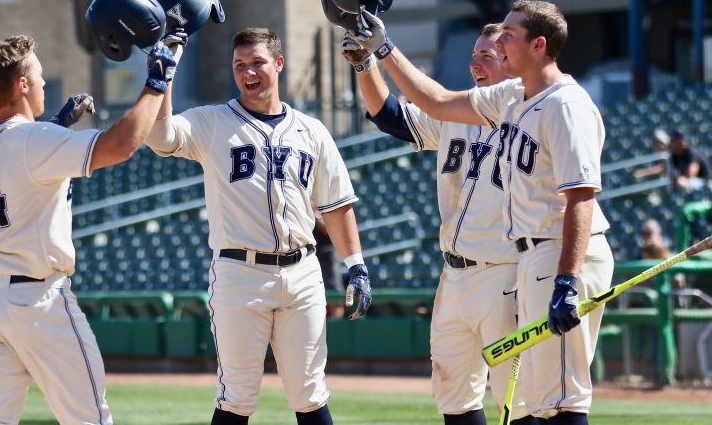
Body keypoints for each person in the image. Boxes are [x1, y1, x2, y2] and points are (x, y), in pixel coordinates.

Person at [349, 0, 614, 424]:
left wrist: (567, 278)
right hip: (514, 260)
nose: (499, 44)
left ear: (538, 45)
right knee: (544, 399)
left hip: (544, 256)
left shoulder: (566, 105)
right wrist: (381, 49)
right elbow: (432, 99)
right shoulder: (510, 98)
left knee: (558, 398)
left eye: (508, 36)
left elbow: (581, 197)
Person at [144, 27, 372, 425]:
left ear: (278, 65)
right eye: (239, 65)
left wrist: (357, 265)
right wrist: (165, 76)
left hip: (302, 273)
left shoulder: (311, 130)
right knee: (237, 396)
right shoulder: (213, 122)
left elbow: (337, 206)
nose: (248, 72)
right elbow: (160, 137)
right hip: (240, 273)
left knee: (310, 392)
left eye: (257, 63)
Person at [0, 33, 177, 423]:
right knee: (90, 419)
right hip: (38, 302)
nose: (44, 82)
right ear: (22, 84)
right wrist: (157, 82)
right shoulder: (34, 140)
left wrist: (58, 124)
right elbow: (122, 144)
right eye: (38, 75)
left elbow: (22, 167)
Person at [344, 23, 533, 424]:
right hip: (455, 276)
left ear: (513, 62)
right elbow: (389, 115)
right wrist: (364, 65)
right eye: (474, 55)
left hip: (506, 274)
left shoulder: (529, 116)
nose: (475, 63)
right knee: (454, 398)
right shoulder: (454, 115)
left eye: (488, 55)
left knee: (517, 402)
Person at [312, 215, 346, 319]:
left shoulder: (324, 209)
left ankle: (336, 328)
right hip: (310, 256)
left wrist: (316, 216)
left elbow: (332, 232)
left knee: (335, 296)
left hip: (328, 256)